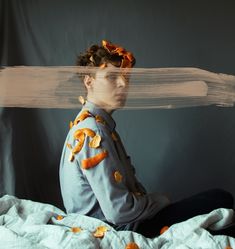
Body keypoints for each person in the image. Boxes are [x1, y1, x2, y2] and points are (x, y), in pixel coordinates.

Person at [59, 40, 235, 238]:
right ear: (88, 81)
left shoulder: (96, 125)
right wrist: (160, 201)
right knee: (221, 199)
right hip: (119, 231)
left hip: (124, 223)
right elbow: (119, 212)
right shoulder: (94, 131)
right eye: (112, 77)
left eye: (126, 76)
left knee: (220, 207)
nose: (123, 84)